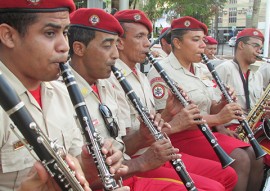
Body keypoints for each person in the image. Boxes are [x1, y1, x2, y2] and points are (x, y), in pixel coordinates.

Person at [0, 1, 125, 191]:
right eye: (50, 33)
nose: (64, 47)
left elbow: (76, 165)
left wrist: (88, 167)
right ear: (8, 36)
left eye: (65, 33)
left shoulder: (62, 93)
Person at [110, 10, 239, 191]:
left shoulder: (140, 76)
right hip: (140, 159)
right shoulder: (112, 80)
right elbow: (126, 145)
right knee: (215, 185)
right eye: (140, 37)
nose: (148, 43)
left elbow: (151, 124)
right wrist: (176, 123)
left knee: (228, 175)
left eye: (147, 36)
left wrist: (168, 113)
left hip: (159, 151)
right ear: (120, 43)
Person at [67, 8, 187, 191]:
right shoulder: (62, 93)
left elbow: (122, 146)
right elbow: (78, 177)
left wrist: (144, 134)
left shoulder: (106, 84)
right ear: (79, 48)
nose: (115, 54)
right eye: (108, 45)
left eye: (116, 45)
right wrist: (141, 163)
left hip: (123, 175)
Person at [147, 16, 264, 191]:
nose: (203, 45)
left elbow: (210, 106)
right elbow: (169, 118)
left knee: (257, 157)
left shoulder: (201, 68)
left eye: (202, 39)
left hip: (204, 132)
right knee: (240, 158)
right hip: (178, 136)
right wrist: (218, 118)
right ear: (177, 43)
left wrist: (223, 104)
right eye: (196, 40)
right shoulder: (161, 70)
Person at [215, 28, 270, 167]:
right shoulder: (225, 69)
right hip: (233, 128)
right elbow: (212, 103)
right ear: (241, 45)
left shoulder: (256, 75)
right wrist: (219, 127)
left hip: (254, 128)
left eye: (261, 48)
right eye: (255, 46)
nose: (259, 51)